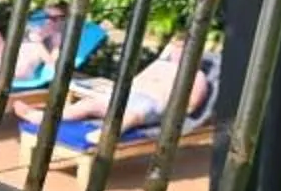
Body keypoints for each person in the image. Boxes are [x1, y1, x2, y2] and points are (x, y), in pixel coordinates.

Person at [56, 42, 221, 135]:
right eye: (176, 50)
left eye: (182, 50)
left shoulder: (196, 75)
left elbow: (191, 106)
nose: (177, 53)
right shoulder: (161, 64)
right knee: (88, 105)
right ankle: (45, 117)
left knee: (132, 115)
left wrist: (172, 112)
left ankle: (106, 134)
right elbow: (136, 80)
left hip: (153, 103)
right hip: (130, 95)